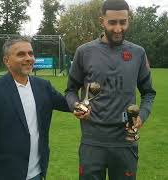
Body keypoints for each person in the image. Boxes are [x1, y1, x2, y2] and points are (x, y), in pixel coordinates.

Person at [65, 0, 156, 179]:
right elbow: (70, 90)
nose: (118, 28)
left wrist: (142, 115)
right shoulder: (84, 52)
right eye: (112, 22)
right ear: (102, 21)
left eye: (123, 22)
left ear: (128, 20)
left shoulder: (138, 53)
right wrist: (76, 105)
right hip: (92, 141)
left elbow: (148, 93)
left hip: (125, 142)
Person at [0, 37, 70, 180]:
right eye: (21, 54)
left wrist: (87, 93)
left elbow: (69, 104)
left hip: (37, 173)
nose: (29, 58)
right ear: (6, 61)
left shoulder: (43, 86)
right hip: (6, 173)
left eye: (31, 53)